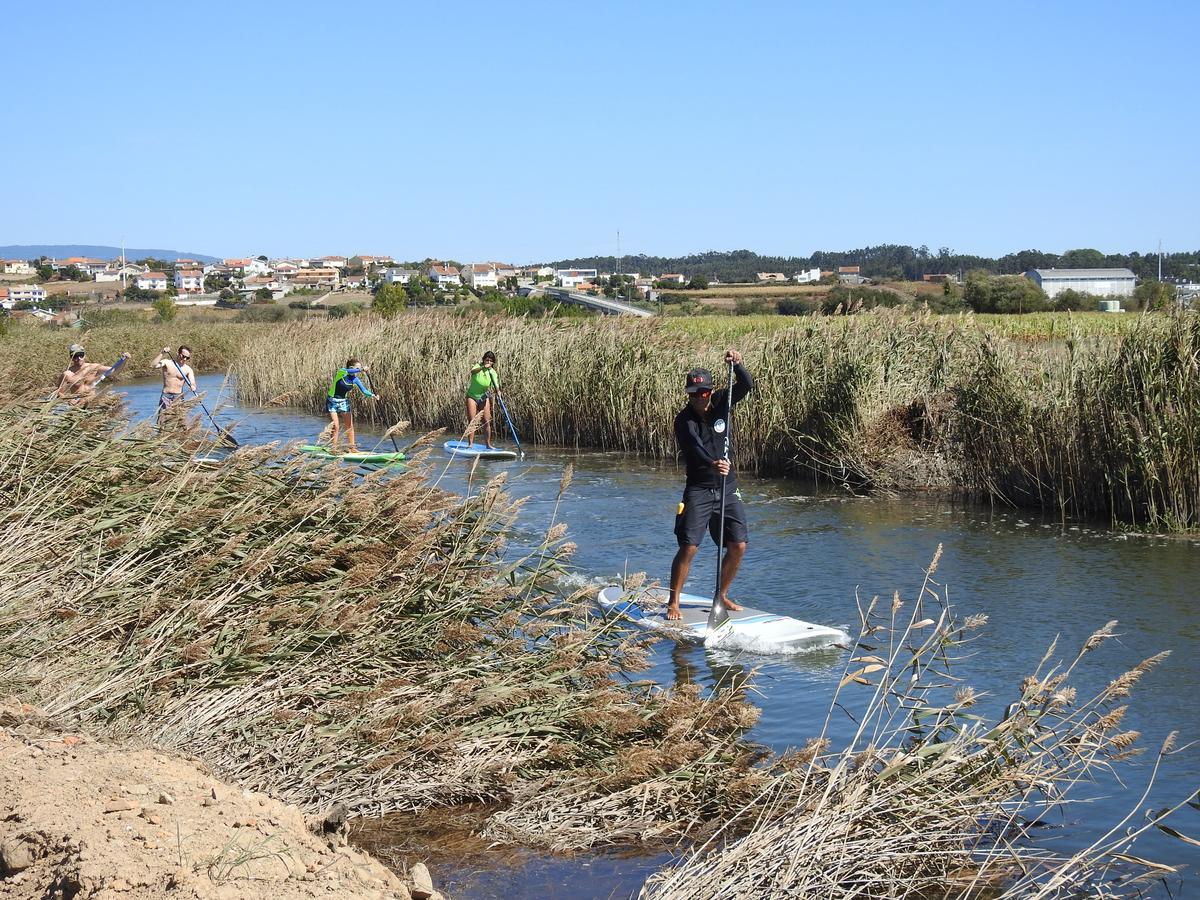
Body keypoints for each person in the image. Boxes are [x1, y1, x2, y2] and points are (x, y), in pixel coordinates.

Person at [668, 349, 754, 621]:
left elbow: (746, 385)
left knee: (738, 545)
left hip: (728, 488)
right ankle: (673, 602)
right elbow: (694, 448)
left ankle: (722, 595)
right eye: (693, 394)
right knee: (690, 546)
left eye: (703, 393)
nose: (699, 399)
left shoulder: (722, 403)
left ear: (710, 391)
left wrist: (737, 365)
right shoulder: (683, 421)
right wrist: (712, 463)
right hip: (699, 489)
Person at [324, 358, 375, 452]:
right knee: (336, 426)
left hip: (344, 402)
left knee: (350, 426)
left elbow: (364, 391)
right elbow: (349, 371)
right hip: (332, 401)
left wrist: (373, 395)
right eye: (357, 368)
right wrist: (362, 369)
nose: (358, 371)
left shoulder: (355, 379)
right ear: (351, 368)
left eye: (359, 368)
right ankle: (333, 448)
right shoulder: (341, 372)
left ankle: (352, 448)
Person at [54, 344, 131, 400]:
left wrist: (124, 361)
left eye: (81, 355)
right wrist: (70, 401)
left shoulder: (94, 367)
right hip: (76, 407)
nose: (79, 358)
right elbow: (60, 393)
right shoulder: (67, 374)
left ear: (84, 355)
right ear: (71, 358)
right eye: (75, 356)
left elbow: (114, 372)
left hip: (92, 403)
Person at [465, 350, 500, 449]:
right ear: (484, 360)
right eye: (486, 360)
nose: (488, 362)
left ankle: (488, 445)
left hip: (483, 397)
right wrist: (483, 367)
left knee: (486, 421)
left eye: (490, 361)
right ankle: (470, 444)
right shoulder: (478, 366)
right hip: (472, 397)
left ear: (493, 362)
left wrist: (498, 391)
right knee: (472, 421)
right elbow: (472, 371)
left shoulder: (492, 372)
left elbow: (496, 384)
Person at [152, 346, 197, 413]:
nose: (184, 359)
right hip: (166, 396)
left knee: (179, 421)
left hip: (178, 397)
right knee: (162, 421)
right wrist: (162, 353)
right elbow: (153, 365)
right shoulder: (166, 363)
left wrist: (193, 386)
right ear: (178, 353)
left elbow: (193, 382)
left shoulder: (188, 369)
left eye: (187, 358)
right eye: (183, 356)